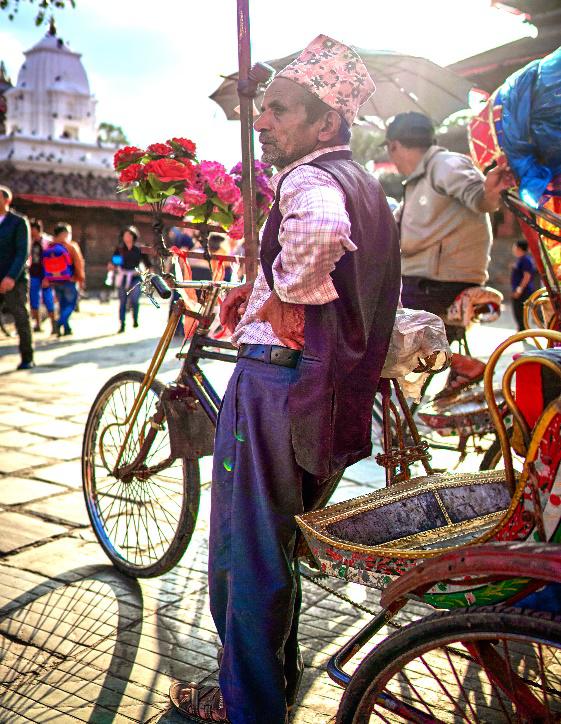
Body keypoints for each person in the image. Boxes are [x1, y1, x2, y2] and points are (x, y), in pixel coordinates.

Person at [169, 35, 401, 724]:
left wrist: (287, 295)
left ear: (324, 122)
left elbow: (319, 237)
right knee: (274, 549)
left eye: (278, 110)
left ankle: (247, 707)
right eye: (261, 110)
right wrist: (269, 292)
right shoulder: (365, 182)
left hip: (274, 386)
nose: (261, 122)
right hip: (314, 391)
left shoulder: (309, 180)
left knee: (247, 555)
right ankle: (265, 684)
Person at [385, 111, 514, 395]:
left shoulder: (444, 164)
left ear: (393, 145)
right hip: (426, 280)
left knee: (373, 325)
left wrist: (489, 193)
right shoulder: (418, 181)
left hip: (437, 283)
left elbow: (478, 195)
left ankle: (460, 362)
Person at [0, 185, 34, 369]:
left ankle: (27, 357)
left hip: (14, 279)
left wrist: (11, 277)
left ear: (7, 200)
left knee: (21, 317)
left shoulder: (18, 222)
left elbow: (22, 252)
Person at [43, 223, 85, 336]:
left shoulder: (49, 246)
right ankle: (59, 322)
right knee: (71, 304)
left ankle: (66, 329)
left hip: (55, 281)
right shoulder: (71, 246)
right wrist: (80, 278)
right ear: (65, 233)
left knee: (62, 304)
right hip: (69, 280)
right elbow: (78, 263)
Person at [108, 226, 148, 333]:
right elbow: (114, 262)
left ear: (134, 236)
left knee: (135, 299)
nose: (127, 237)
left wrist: (149, 275)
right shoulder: (119, 249)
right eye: (125, 235)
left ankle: (135, 319)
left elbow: (148, 264)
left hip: (135, 277)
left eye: (129, 235)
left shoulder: (139, 249)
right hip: (123, 276)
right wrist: (112, 266)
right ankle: (122, 324)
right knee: (122, 301)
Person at [29, 219, 56, 335]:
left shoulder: (47, 242)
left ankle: (54, 324)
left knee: (48, 300)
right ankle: (38, 324)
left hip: (45, 274)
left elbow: (52, 260)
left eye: (32, 229)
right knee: (33, 300)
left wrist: (48, 276)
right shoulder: (29, 241)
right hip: (33, 274)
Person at [511, 239, 536, 331]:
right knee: (517, 311)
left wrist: (519, 290)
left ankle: (522, 330)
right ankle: (521, 329)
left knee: (520, 311)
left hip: (524, 291)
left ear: (519, 248)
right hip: (519, 290)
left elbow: (527, 276)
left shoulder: (526, 260)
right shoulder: (521, 259)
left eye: (515, 246)